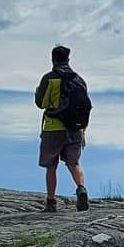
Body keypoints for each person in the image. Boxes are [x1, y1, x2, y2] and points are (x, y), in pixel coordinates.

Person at [34, 45, 92, 212]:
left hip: (53, 127)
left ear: (53, 59)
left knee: (51, 166)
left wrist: (38, 92)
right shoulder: (79, 80)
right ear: (68, 59)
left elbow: (41, 103)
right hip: (75, 128)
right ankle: (81, 188)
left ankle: (51, 202)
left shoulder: (49, 78)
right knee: (74, 163)